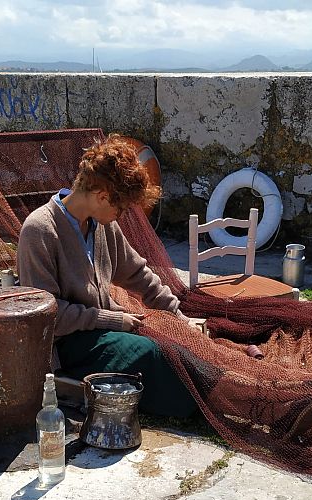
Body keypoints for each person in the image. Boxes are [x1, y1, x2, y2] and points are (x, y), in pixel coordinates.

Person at [16, 134, 197, 418]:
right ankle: (204, 403)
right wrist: (112, 319)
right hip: (66, 347)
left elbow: (138, 273)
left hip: (102, 332)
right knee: (148, 353)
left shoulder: (102, 225)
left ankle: (216, 387)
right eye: (120, 207)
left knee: (171, 342)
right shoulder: (40, 230)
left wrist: (178, 316)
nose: (122, 214)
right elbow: (48, 316)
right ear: (101, 196)